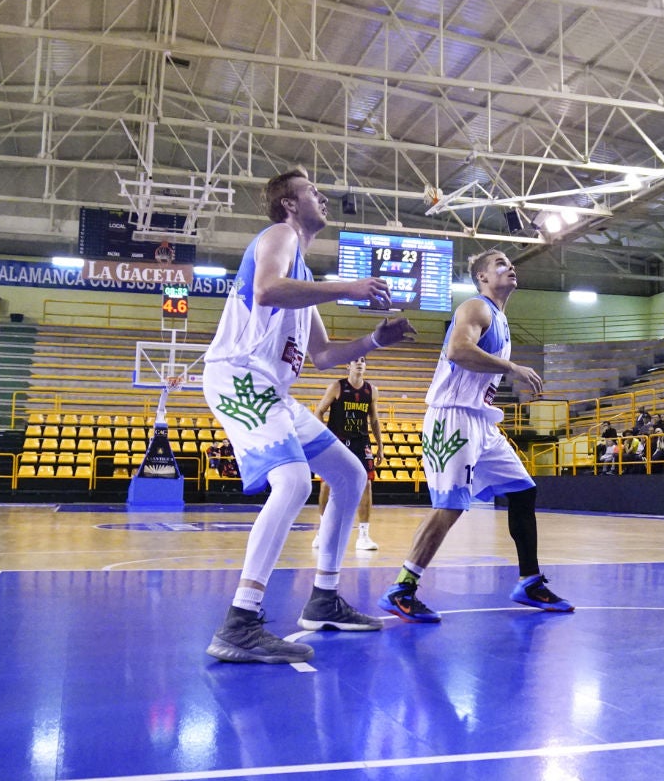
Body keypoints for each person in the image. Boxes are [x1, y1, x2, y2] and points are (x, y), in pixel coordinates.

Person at [202, 168, 416, 664]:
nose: (320, 197)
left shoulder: (306, 276)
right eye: (310, 192)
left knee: (349, 474)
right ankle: (240, 620)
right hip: (237, 375)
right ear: (290, 205)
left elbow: (321, 356)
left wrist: (375, 341)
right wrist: (351, 288)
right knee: (295, 482)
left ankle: (324, 598)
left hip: (272, 390)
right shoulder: (278, 236)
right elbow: (267, 290)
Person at [378, 250, 573, 624]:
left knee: (522, 489)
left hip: (481, 422)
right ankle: (402, 587)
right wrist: (512, 366)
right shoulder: (476, 308)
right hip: (451, 418)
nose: (510, 267)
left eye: (511, 263)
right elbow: (458, 350)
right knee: (449, 506)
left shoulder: (500, 318)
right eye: (500, 264)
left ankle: (529, 582)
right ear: (482, 278)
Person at [314, 357, 383, 553]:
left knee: (366, 484)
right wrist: (324, 437)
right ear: (348, 366)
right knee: (327, 483)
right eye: (355, 360)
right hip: (337, 441)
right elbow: (319, 411)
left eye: (363, 360)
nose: (359, 363)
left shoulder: (371, 390)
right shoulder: (337, 387)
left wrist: (380, 445)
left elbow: (375, 420)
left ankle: (363, 535)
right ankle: (322, 530)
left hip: (361, 442)